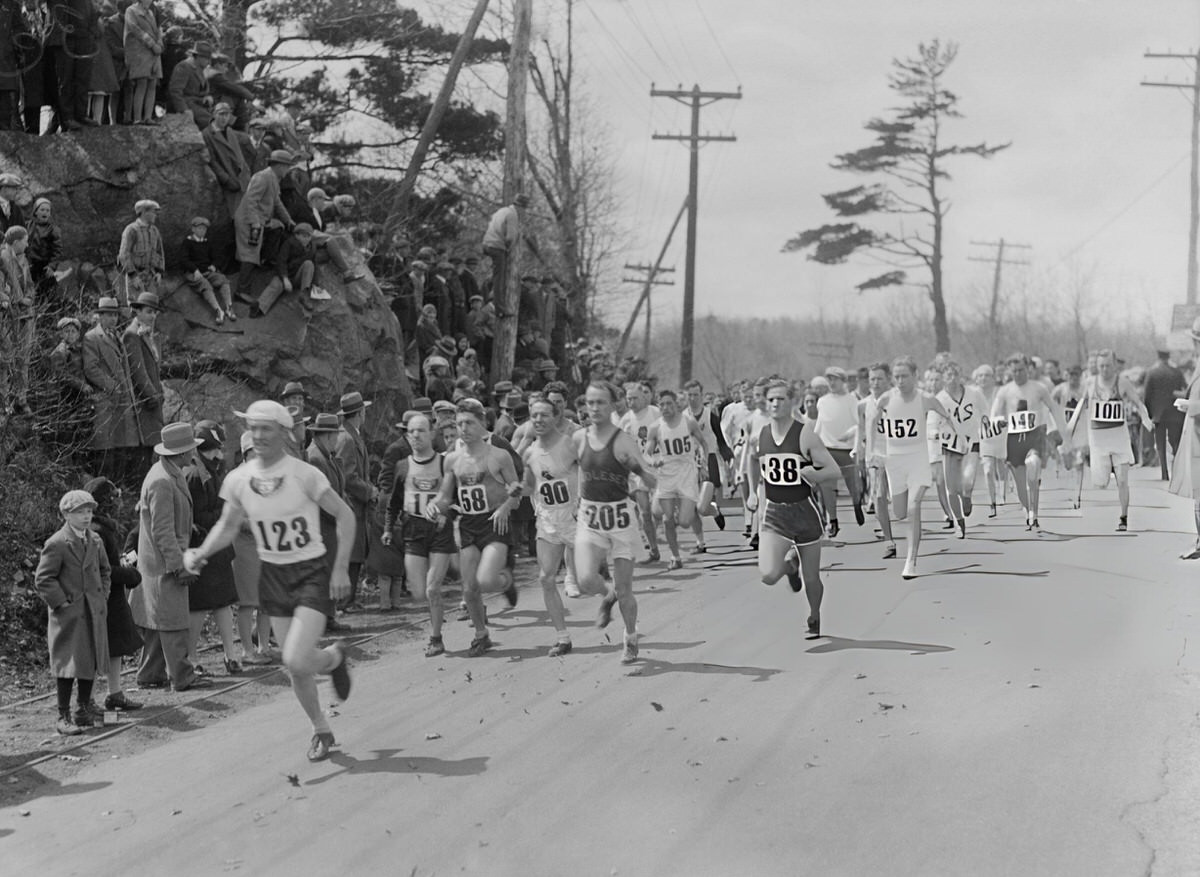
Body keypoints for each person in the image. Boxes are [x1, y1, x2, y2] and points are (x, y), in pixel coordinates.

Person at [185, 401, 355, 762]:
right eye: (253, 428)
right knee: (295, 664)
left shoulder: (304, 473)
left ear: (284, 432)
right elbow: (228, 526)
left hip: (309, 571)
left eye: (267, 428)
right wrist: (201, 553)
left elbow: (345, 514)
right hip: (273, 575)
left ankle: (331, 658)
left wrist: (340, 567)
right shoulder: (238, 480)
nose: (259, 435)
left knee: (294, 657)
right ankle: (321, 724)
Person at [425, 398, 521, 656]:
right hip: (467, 523)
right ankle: (481, 635)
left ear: (483, 425)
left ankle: (505, 580)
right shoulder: (452, 460)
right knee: (469, 588)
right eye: (460, 424)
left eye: (469, 423)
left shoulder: (499, 456)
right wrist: (435, 505)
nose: (464, 428)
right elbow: (446, 496)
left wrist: (505, 506)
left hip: (494, 523)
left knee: (486, 580)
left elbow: (516, 491)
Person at [747, 379, 842, 638]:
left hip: (804, 512)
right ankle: (790, 567)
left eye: (780, 398)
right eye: (771, 399)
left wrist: (814, 474)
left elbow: (833, 470)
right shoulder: (760, 434)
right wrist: (752, 492)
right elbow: (752, 461)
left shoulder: (804, 434)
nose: (775, 403)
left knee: (811, 578)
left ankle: (814, 615)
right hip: (775, 513)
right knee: (767, 575)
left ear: (792, 402)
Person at [574, 381, 658, 664]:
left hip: (620, 518)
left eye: (600, 402)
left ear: (612, 406)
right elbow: (576, 472)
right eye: (590, 402)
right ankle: (605, 594)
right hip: (591, 516)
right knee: (585, 579)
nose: (595, 408)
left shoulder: (623, 440)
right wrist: (577, 499)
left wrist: (638, 470)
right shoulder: (579, 438)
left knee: (626, 590)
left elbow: (650, 477)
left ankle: (630, 636)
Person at [128, 422, 211, 692]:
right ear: (182, 452)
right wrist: (179, 566)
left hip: (156, 564)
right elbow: (162, 531)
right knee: (173, 623)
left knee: (156, 622)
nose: (194, 453)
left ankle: (150, 674)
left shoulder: (163, 473)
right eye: (191, 449)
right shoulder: (163, 481)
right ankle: (182, 676)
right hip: (165, 565)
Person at [874, 356, 959, 579]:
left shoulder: (926, 398)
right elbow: (873, 422)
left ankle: (910, 561)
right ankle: (909, 551)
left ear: (915, 376)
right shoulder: (885, 399)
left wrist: (959, 439)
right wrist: (873, 450)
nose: (900, 381)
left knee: (913, 508)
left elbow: (947, 417)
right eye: (897, 377)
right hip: (895, 461)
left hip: (918, 459)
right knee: (900, 512)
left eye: (905, 376)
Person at [35, 490, 112, 735]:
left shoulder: (95, 540)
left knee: (90, 660)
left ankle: (82, 709)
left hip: (93, 612)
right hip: (69, 615)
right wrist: (61, 603)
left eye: (89, 511)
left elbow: (105, 571)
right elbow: (44, 579)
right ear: (66, 515)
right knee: (68, 665)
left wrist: (102, 596)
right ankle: (62, 715)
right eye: (80, 512)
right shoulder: (57, 543)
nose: (86, 517)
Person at [383, 413, 456, 655]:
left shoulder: (444, 463)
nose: (416, 435)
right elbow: (393, 502)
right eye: (411, 431)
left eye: (421, 430)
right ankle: (436, 611)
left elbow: (455, 497)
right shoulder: (403, 466)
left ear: (432, 433)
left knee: (432, 589)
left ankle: (436, 638)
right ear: (406, 435)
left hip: (439, 530)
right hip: (412, 529)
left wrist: (446, 513)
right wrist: (387, 528)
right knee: (417, 591)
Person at [1067, 350, 1152, 531]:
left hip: (1119, 438)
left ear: (1115, 366)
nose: (1105, 370)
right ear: (1097, 367)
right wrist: (1069, 429)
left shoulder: (1123, 383)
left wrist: (1145, 418)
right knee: (1101, 482)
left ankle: (1124, 517)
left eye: (1108, 366)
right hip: (1098, 440)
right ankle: (1106, 470)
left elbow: (1138, 402)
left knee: (1122, 480)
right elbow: (1081, 406)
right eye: (1101, 366)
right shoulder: (1090, 383)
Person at [519, 397, 577, 655]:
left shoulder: (571, 445)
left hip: (576, 519)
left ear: (556, 418)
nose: (539, 420)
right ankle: (563, 638)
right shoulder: (529, 452)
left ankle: (611, 597)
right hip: (547, 520)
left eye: (544, 415)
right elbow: (530, 486)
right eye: (535, 416)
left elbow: (593, 470)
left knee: (590, 581)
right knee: (546, 578)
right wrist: (513, 490)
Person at [184, 420, 242, 675]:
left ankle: (230, 654)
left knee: (223, 603)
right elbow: (199, 517)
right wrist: (228, 511)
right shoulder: (196, 474)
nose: (219, 452)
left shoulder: (211, 469)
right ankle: (192, 658)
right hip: (203, 546)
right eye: (215, 446)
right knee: (199, 606)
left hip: (215, 546)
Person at [991, 353, 1072, 531]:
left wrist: (1063, 434)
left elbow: (1054, 409)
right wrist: (997, 422)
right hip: (1014, 438)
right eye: (1014, 371)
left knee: (1033, 465)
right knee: (1021, 483)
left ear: (1028, 369)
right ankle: (1028, 509)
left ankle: (1034, 512)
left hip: (1034, 434)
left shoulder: (1039, 388)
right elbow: (994, 414)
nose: (1018, 374)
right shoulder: (1005, 391)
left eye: (1021, 370)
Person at [83, 477, 144, 712]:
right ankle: (90, 699)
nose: (118, 503)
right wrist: (130, 574)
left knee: (115, 647)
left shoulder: (100, 527)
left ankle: (114, 692)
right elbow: (103, 569)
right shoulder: (99, 530)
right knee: (101, 647)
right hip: (106, 598)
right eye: (113, 498)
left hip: (112, 597)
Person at [644, 389, 708, 570]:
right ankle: (675, 556)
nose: (665, 407)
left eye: (669, 403)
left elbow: (703, 443)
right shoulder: (655, 427)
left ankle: (694, 508)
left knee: (685, 521)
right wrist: (653, 461)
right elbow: (646, 453)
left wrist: (703, 461)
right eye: (662, 404)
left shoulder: (688, 422)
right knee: (666, 518)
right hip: (666, 476)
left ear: (676, 405)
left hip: (687, 474)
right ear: (658, 406)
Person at [82, 296, 141, 482]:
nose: (113, 319)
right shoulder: (92, 337)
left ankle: (118, 490)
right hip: (105, 400)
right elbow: (90, 368)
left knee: (121, 446)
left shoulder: (116, 336)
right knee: (105, 448)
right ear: (99, 316)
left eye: (115, 315)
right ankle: (104, 491)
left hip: (122, 400)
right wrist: (112, 386)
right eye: (108, 315)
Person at [234, 149, 296, 299]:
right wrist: (255, 223)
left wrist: (288, 220)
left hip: (260, 220)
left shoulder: (273, 178)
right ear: (280, 166)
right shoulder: (263, 177)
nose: (288, 170)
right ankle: (241, 291)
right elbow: (251, 200)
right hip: (249, 220)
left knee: (277, 228)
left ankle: (266, 261)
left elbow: (277, 202)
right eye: (287, 166)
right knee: (250, 253)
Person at [936, 360, 988, 538]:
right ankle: (959, 523)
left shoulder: (974, 393)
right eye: (948, 375)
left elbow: (985, 412)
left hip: (971, 442)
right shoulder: (939, 399)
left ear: (960, 376)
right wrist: (934, 434)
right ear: (943, 378)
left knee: (967, 481)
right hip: (949, 446)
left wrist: (988, 423)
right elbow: (932, 423)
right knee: (952, 489)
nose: (952, 378)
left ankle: (967, 497)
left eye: (955, 374)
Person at [334, 391, 376, 612]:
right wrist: (370, 491)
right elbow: (348, 477)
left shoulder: (351, 435)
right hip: (351, 505)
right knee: (352, 553)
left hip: (356, 506)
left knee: (357, 552)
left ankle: (349, 599)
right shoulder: (347, 439)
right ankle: (345, 601)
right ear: (360, 412)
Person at [815, 366, 865, 535]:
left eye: (835, 379)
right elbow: (819, 426)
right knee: (827, 488)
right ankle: (833, 520)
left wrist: (854, 442)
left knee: (854, 487)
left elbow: (859, 425)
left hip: (847, 450)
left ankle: (857, 504)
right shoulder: (822, 401)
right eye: (829, 379)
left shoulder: (851, 400)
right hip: (827, 449)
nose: (832, 382)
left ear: (843, 381)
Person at [618, 381, 662, 562]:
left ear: (643, 397)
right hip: (638, 472)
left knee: (657, 511)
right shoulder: (626, 420)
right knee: (644, 512)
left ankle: (661, 521)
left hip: (659, 467)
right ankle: (653, 548)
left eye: (635, 398)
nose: (631, 402)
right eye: (628, 399)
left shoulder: (655, 413)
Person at [857, 362, 897, 558]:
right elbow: (861, 429)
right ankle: (889, 541)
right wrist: (859, 451)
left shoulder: (897, 399)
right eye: (872, 379)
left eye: (880, 378)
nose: (875, 383)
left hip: (898, 454)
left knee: (899, 502)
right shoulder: (863, 404)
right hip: (876, 456)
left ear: (888, 379)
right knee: (879, 496)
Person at [124, 291, 165, 475]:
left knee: (154, 443)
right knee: (145, 442)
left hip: (154, 397)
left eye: (155, 312)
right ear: (137, 312)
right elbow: (137, 370)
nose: (153, 316)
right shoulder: (132, 335)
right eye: (149, 311)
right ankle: (143, 484)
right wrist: (152, 394)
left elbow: (154, 369)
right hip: (143, 399)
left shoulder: (151, 334)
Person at [253, 222, 319, 317]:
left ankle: (304, 294)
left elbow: (315, 266)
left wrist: (316, 284)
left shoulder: (312, 247)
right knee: (275, 285)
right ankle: (260, 307)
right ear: (297, 235)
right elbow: (281, 261)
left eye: (309, 236)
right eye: (304, 236)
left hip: (298, 276)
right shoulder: (289, 244)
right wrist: (285, 278)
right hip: (286, 275)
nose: (307, 239)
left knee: (309, 264)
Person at [180, 216, 236, 324]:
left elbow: (217, 256)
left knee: (223, 279)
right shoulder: (187, 242)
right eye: (199, 228)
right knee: (204, 284)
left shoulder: (207, 242)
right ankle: (218, 310)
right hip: (193, 273)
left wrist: (214, 265)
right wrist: (194, 270)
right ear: (193, 229)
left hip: (207, 271)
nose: (202, 231)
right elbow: (184, 259)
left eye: (204, 229)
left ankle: (229, 307)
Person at [1144, 348, 1186, 481]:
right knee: (1175, 444)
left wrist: (1150, 413)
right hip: (1175, 414)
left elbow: (1147, 396)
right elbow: (1183, 389)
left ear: (1158, 357)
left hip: (1159, 415)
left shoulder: (1152, 373)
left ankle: (1164, 472)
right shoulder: (1177, 372)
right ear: (1168, 357)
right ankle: (1177, 471)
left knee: (1160, 445)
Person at [202, 102, 251, 214]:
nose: (224, 118)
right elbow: (212, 160)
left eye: (227, 115)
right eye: (221, 114)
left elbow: (239, 156)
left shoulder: (229, 131)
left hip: (242, 179)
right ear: (214, 115)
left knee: (247, 216)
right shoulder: (207, 134)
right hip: (229, 181)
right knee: (237, 217)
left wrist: (246, 174)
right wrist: (226, 179)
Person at [481, 193, 529, 306]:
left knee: (496, 273)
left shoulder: (502, 210)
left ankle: (487, 292)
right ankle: (499, 307)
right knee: (500, 278)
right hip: (497, 247)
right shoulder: (513, 215)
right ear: (521, 207)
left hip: (487, 244)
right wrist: (508, 250)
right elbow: (510, 238)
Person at [973, 364, 1007, 516]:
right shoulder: (973, 394)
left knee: (1001, 466)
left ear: (993, 378)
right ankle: (992, 502)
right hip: (984, 436)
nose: (983, 378)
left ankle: (1002, 494)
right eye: (980, 376)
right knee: (987, 470)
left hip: (1000, 434)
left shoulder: (999, 392)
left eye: (987, 375)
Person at [117, 199, 165, 303]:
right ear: (143, 212)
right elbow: (124, 254)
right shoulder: (131, 230)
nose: (155, 215)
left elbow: (160, 252)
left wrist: (159, 272)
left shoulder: (154, 231)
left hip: (151, 276)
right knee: (137, 306)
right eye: (153, 212)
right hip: (136, 276)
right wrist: (133, 276)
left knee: (151, 306)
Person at [122, 0, 162, 126]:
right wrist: (152, 44)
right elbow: (135, 30)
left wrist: (160, 43)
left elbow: (157, 30)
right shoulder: (131, 11)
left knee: (152, 83)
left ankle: (148, 117)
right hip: (139, 51)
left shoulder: (151, 12)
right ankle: (138, 118)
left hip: (153, 52)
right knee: (142, 82)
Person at [167, 40, 212, 128]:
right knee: (209, 121)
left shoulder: (201, 69)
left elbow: (201, 89)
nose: (209, 62)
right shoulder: (184, 67)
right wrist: (184, 110)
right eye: (206, 58)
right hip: (186, 104)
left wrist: (205, 97)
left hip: (198, 103)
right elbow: (175, 91)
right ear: (198, 57)